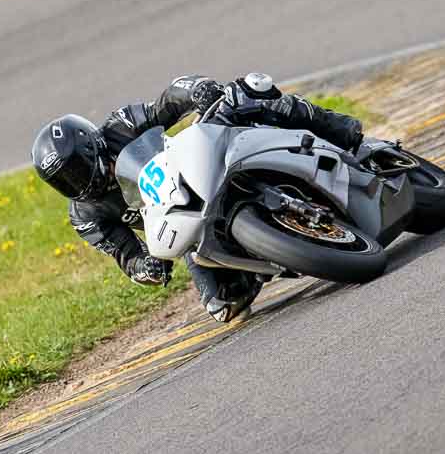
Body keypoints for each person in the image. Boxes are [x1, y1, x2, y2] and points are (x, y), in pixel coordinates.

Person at [31, 73, 363, 323]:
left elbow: (167, 103)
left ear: (91, 145)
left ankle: (346, 134)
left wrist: (196, 91)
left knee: (255, 95)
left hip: (202, 164)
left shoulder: (119, 126)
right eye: (63, 180)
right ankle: (278, 252)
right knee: (223, 305)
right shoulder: (85, 214)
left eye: (76, 168)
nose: (76, 181)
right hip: (187, 225)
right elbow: (126, 256)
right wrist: (146, 267)